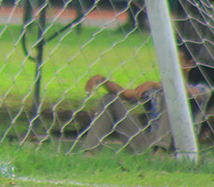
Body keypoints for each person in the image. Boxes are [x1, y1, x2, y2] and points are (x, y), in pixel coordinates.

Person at [77, 43, 212, 155]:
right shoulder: (156, 89)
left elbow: (188, 94)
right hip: (147, 143)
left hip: (177, 146)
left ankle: (161, 152)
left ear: (189, 64)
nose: (171, 65)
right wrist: (102, 80)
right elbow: (127, 94)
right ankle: (89, 153)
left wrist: (156, 85)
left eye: (176, 61)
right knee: (109, 100)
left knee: (170, 96)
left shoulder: (201, 89)